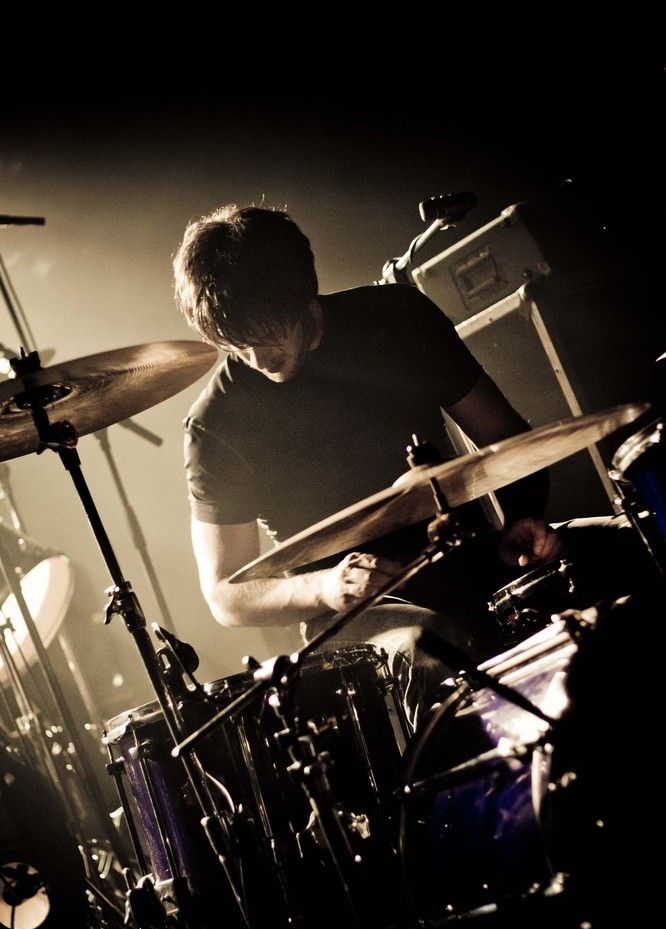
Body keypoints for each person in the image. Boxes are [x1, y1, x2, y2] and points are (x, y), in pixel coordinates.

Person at [173, 204, 648, 730]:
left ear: (303, 293)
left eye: (268, 336)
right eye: (236, 346)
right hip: (356, 616)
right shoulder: (216, 425)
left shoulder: (398, 318)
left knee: (630, 550)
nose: (257, 360)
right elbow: (225, 593)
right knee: (432, 647)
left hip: (471, 555)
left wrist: (521, 520)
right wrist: (326, 587)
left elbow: (506, 437)